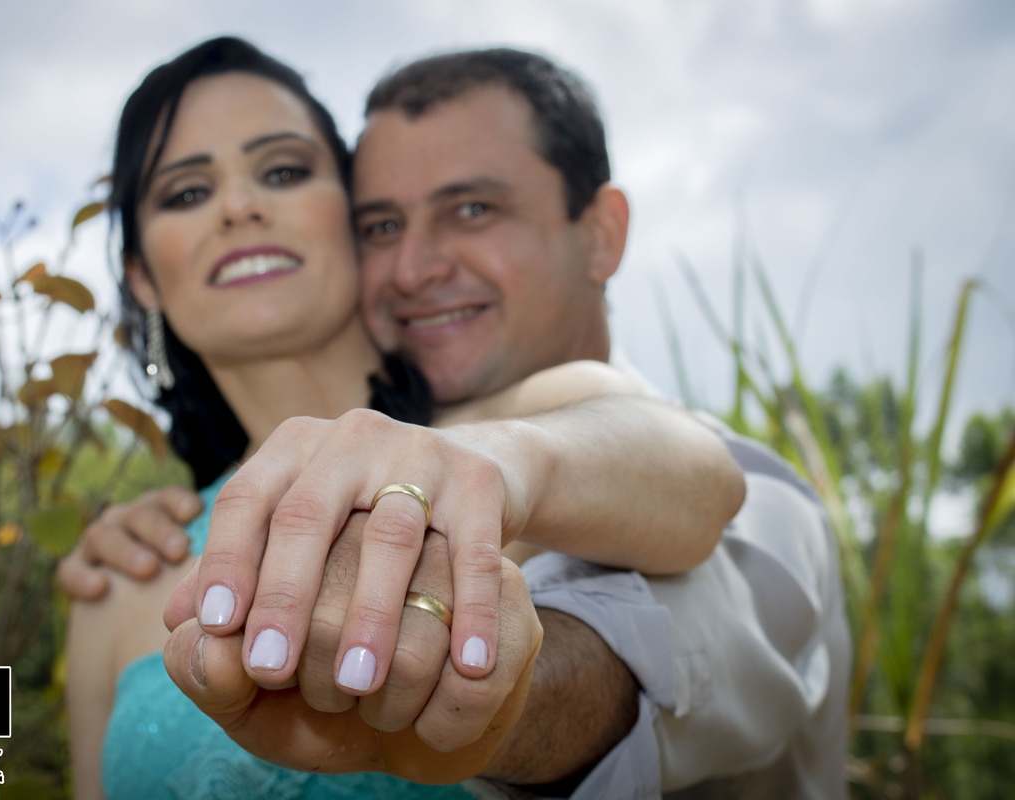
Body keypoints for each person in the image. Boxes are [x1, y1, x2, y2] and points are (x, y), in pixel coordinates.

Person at [153, 48, 852, 798]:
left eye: (473, 209)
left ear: (601, 235)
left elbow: (706, 630)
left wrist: (476, 701)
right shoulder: (170, 538)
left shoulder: (737, 480)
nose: (415, 268)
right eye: (382, 225)